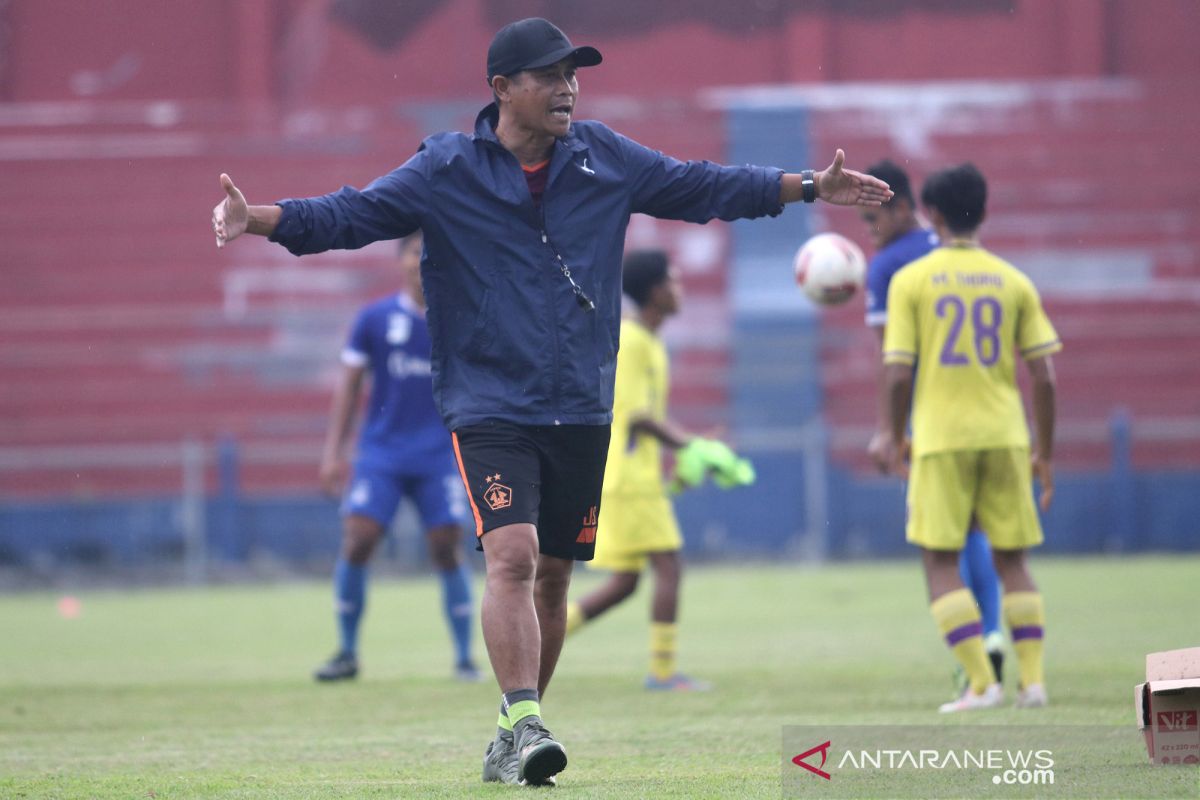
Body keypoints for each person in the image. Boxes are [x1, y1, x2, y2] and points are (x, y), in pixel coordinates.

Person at [211, 16, 891, 785]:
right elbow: (350, 213)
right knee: (513, 554)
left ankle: (513, 730)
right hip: (488, 401)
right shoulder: (445, 168)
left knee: (556, 578)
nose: (568, 88)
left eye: (574, 74)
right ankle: (529, 718)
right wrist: (257, 218)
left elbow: (704, 186)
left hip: (580, 402)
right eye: (550, 75)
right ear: (503, 88)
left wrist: (808, 187)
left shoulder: (605, 156)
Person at [877, 163, 1058, 713]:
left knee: (938, 561)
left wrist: (891, 433)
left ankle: (982, 683)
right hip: (1006, 434)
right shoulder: (1013, 279)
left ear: (930, 214)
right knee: (1013, 559)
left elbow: (899, 371)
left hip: (941, 437)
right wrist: (1044, 451)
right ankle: (1033, 683)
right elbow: (1045, 376)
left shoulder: (911, 281)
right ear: (984, 211)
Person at [563, 250, 754, 692]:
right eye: (674, 281)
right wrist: (695, 444)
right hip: (629, 481)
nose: (680, 290)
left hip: (633, 477)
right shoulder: (631, 342)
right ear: (655, 292)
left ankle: (538, 639)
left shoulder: (649, 341)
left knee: (627, 582)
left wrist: (685, 455)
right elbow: (634, 416)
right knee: (669, 565)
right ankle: (664, 674)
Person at [858, 160, 1006, 688]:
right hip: (992, 414)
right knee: (977, 531)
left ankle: (974, 670)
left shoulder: (889, 267)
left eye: (872, 218)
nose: (868, 230)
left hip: (931, 418)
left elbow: (891, 362)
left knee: (940, 544)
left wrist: (888, 430)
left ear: (904, 207)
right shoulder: (960, 253)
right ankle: (992, 635)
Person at [314, 230, 480, 684]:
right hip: (382, 453)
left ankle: (465, 658)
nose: (422, 259)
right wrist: (334, 454)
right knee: (359, 538)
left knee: (447, 545)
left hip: (438, 454)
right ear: (401, 260)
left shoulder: (459, 319)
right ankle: (347, 652)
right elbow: (349, 387)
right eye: (414, 251)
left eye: (432, 250)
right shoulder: (374, 320)